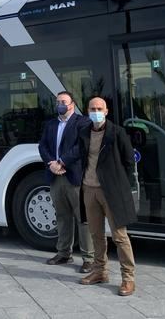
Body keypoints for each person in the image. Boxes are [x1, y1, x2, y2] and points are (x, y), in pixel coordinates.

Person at [78, 97, 137, 296]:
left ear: (106, 111)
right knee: (96, 234)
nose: (95, 111)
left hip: (111, 191)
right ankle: (99, 272)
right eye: (92, 108)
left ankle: (128, 278)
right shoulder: (84, 132)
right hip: (89, 189)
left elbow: (129, 161)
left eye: (99, 108)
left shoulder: (117, 132)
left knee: (120, 236)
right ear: (87, 111)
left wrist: (119, 184)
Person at [38, 91, 94, 272]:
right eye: (57, 102)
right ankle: (63, 253)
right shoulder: (51, 124)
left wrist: (62, 161)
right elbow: (43, 146)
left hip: (74, 176)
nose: (60, 104)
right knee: (62, 217)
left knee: (83, 219)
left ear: (72, 104)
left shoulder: (82, 122)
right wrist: (51, 164)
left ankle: (89, 258)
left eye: (63, 101)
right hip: (55, 176)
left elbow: (81, 146)